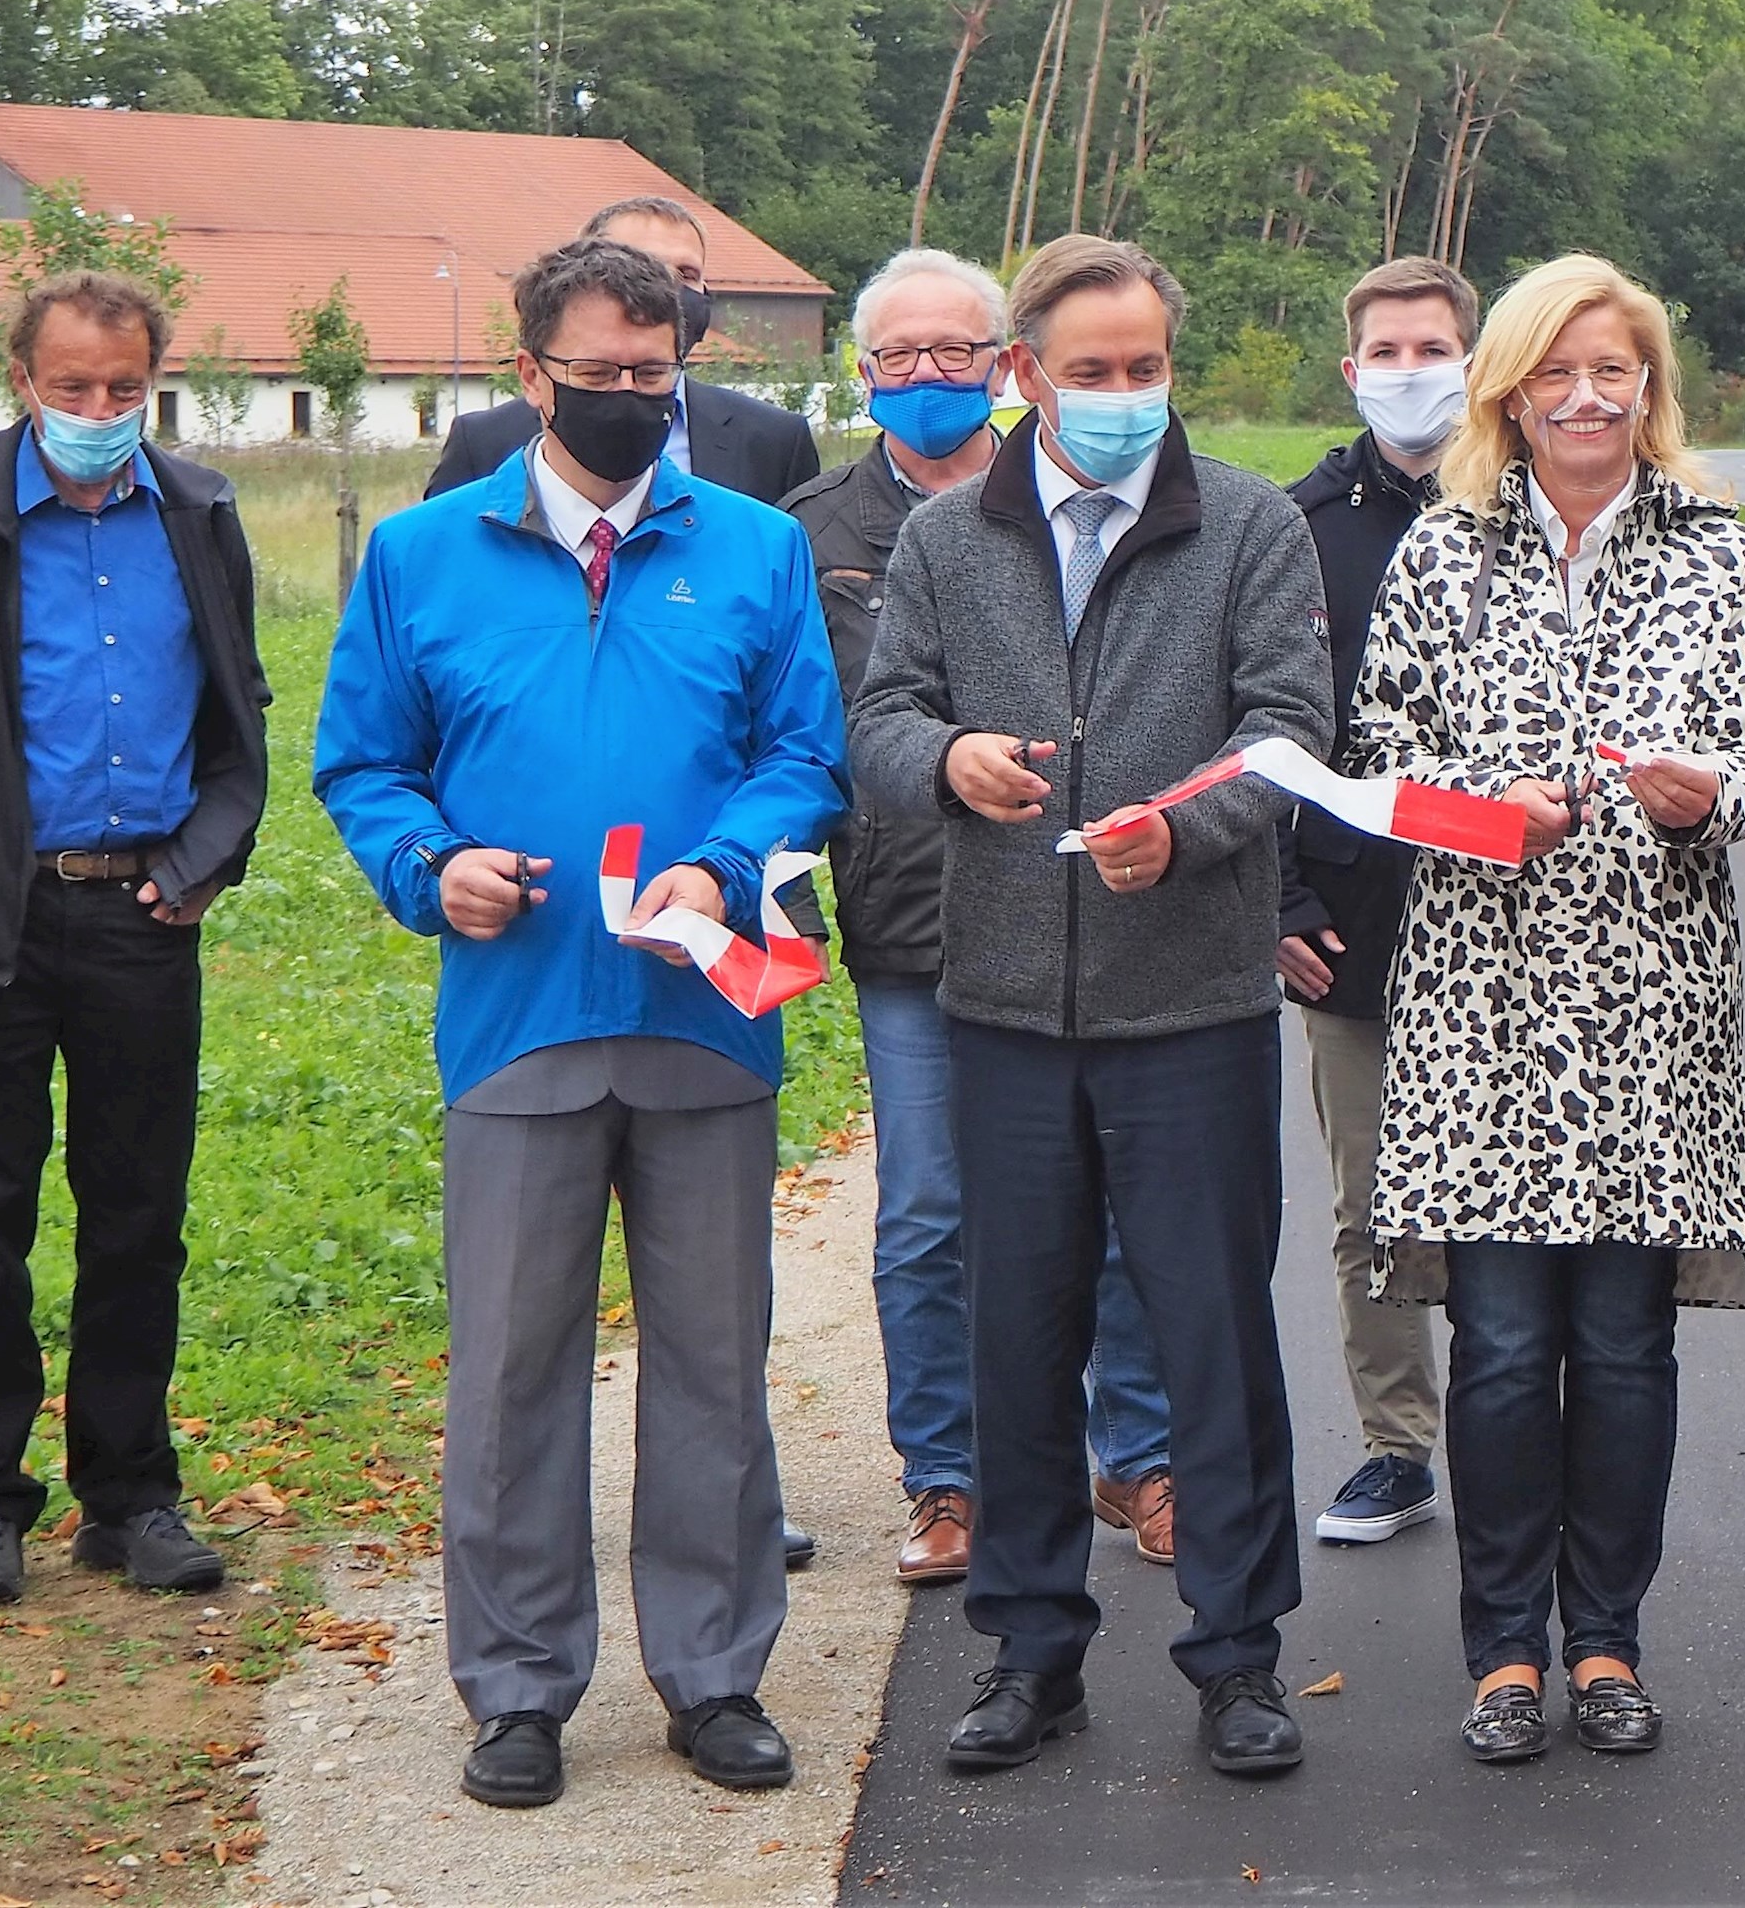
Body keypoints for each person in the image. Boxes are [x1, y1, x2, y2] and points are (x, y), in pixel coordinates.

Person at [315, 237, 845, 1811]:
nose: (628, 397)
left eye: (653, 371)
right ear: (530, 373)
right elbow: (363, 766)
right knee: (512, 1371)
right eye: (598, 372)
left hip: (704, 1017)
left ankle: (714, 1673)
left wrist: (726, 864)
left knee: (709, 1365)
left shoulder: (755, 548)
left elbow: (805, 751)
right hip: (519, 1020)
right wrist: (432, 863)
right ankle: (522, 1686)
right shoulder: (422, 558)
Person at [846, 234, 1334, 1784]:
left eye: (1147, 369)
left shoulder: (1248, 522)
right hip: (998, 998)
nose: (1124, 396)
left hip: (1188, 1002)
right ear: (1026, 375)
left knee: (1211, 1333)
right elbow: (877, 720)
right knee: (1020, 1330)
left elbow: (1288, 730)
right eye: (1093, 371)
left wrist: (1180, 831)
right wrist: (947, 766)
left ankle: (1239, 1653)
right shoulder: (947, 541)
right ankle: (1030, 1648)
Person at [1346, 254, 1745, 1766]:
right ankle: (1501, 1657)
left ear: (1652, 389)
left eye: (1616, 372)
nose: (1589, 397)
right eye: (1559, 372)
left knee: (1620, 1347)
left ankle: (1605, 1638)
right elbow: (1383, 760)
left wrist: (1706, 796)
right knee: (1493, 1345)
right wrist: (1486, 810)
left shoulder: (1719, 553)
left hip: (1651, 1007)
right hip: (1483, 1004)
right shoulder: (1441, 552)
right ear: (1513, 392)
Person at [0, 271, 271, 1609]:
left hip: (143, 909)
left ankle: (130, 1493)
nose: (97, 410)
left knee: (138, 1215)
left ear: (154, 381)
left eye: (123, 389)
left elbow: (240, 712)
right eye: (72, 386)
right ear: (21, 377)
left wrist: (204, 861)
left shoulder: (197, 511)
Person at [782, 249, 1175, 1589]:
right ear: (863, 371)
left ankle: (1136, 1452)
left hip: (1077, 907)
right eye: (903, 356)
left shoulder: (1063, 502)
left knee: (1115, 1198)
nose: (933, 377)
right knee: (931, 1211)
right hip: (910, 921)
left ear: (1006, 364)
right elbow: (800, 728)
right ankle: (946, 1478)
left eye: (960, 351)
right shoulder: (810, 529)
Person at [1277, 255, 1483, 1552]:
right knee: (1378, 1201)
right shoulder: (1293, 525)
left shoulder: (1531, 508)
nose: (1414, 370)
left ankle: (1528, 1430)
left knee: (1528, 1190)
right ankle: (1398, 1443)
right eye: (1388, 351)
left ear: (1474, 355)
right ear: (1353, 371)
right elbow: (1254, 720)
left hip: (1520, 912)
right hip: (1354, 918)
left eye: (1435, 346)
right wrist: (1279, 894)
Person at [426, 194, 820, 506]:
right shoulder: (483, 442)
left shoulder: (774, 441)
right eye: (638, 264)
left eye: (686, 274)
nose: (663, 288)